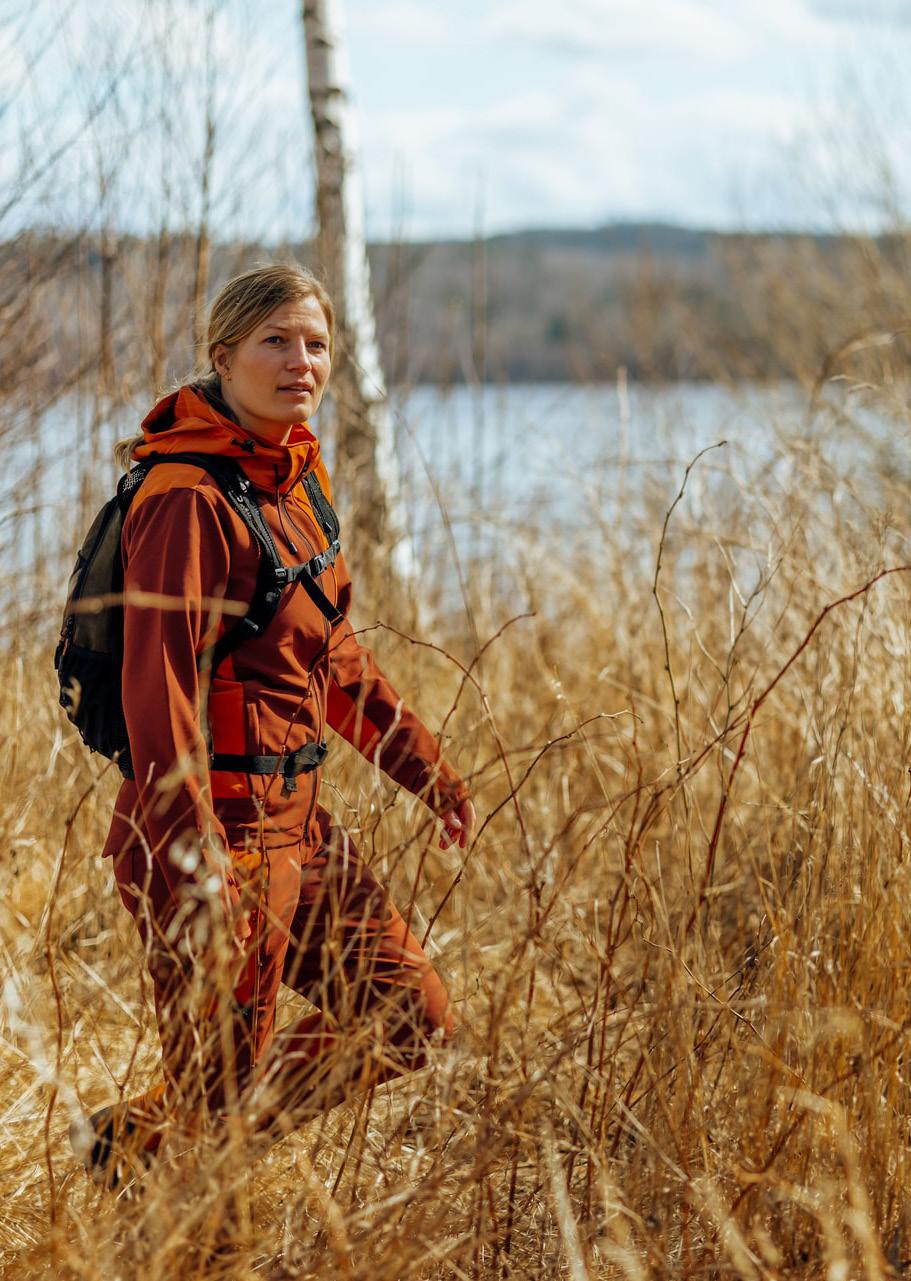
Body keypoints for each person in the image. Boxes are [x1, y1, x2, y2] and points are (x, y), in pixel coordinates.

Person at [71, 263, 475, 1184]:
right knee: (219, 1116)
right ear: (224, 357)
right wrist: (195, 856)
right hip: (215, 837)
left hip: (300, 828)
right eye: (276, 341)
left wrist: (427, 771)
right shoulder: (186, 497)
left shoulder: (294, 474)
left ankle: (137, 1143)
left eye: (317, 344)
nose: (302, 362)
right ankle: (176, 1187)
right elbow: (159, 692)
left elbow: (332, 655)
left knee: (411, 1015)